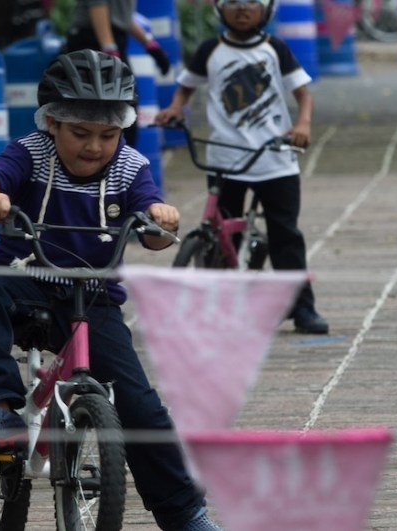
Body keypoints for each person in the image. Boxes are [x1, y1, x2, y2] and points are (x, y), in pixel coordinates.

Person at [0, 49, 221, 531]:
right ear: (52, 123)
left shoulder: (130, 167)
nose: (95, 146)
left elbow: (154, 230)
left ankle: (185, 516)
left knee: (142, 409)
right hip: (24, 283)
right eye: (80, 133)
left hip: (91, 300)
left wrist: (162, 220)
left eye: (108, 134)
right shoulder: (32, 151)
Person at [153, 0, 329, 335]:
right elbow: (186, 86)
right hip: (225, 159)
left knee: (286, 236)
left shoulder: (274, 48)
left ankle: (302, 307)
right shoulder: (210, 50)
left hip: (275, 160)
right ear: (219, 9)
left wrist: (302, 125)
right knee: (220, 236)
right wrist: (176, 107)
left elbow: (304, 95)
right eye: (232, 3)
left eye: (251, 3)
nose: (242, 9)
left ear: (267, 9)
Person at [64, 0, 172, 147]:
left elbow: (121, 17)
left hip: (110, 41)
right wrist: (109, 50)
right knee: (105, 113)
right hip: (91, 40)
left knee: (125, 111)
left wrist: (149, 44)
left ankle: (121, 164)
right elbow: (98, 6)